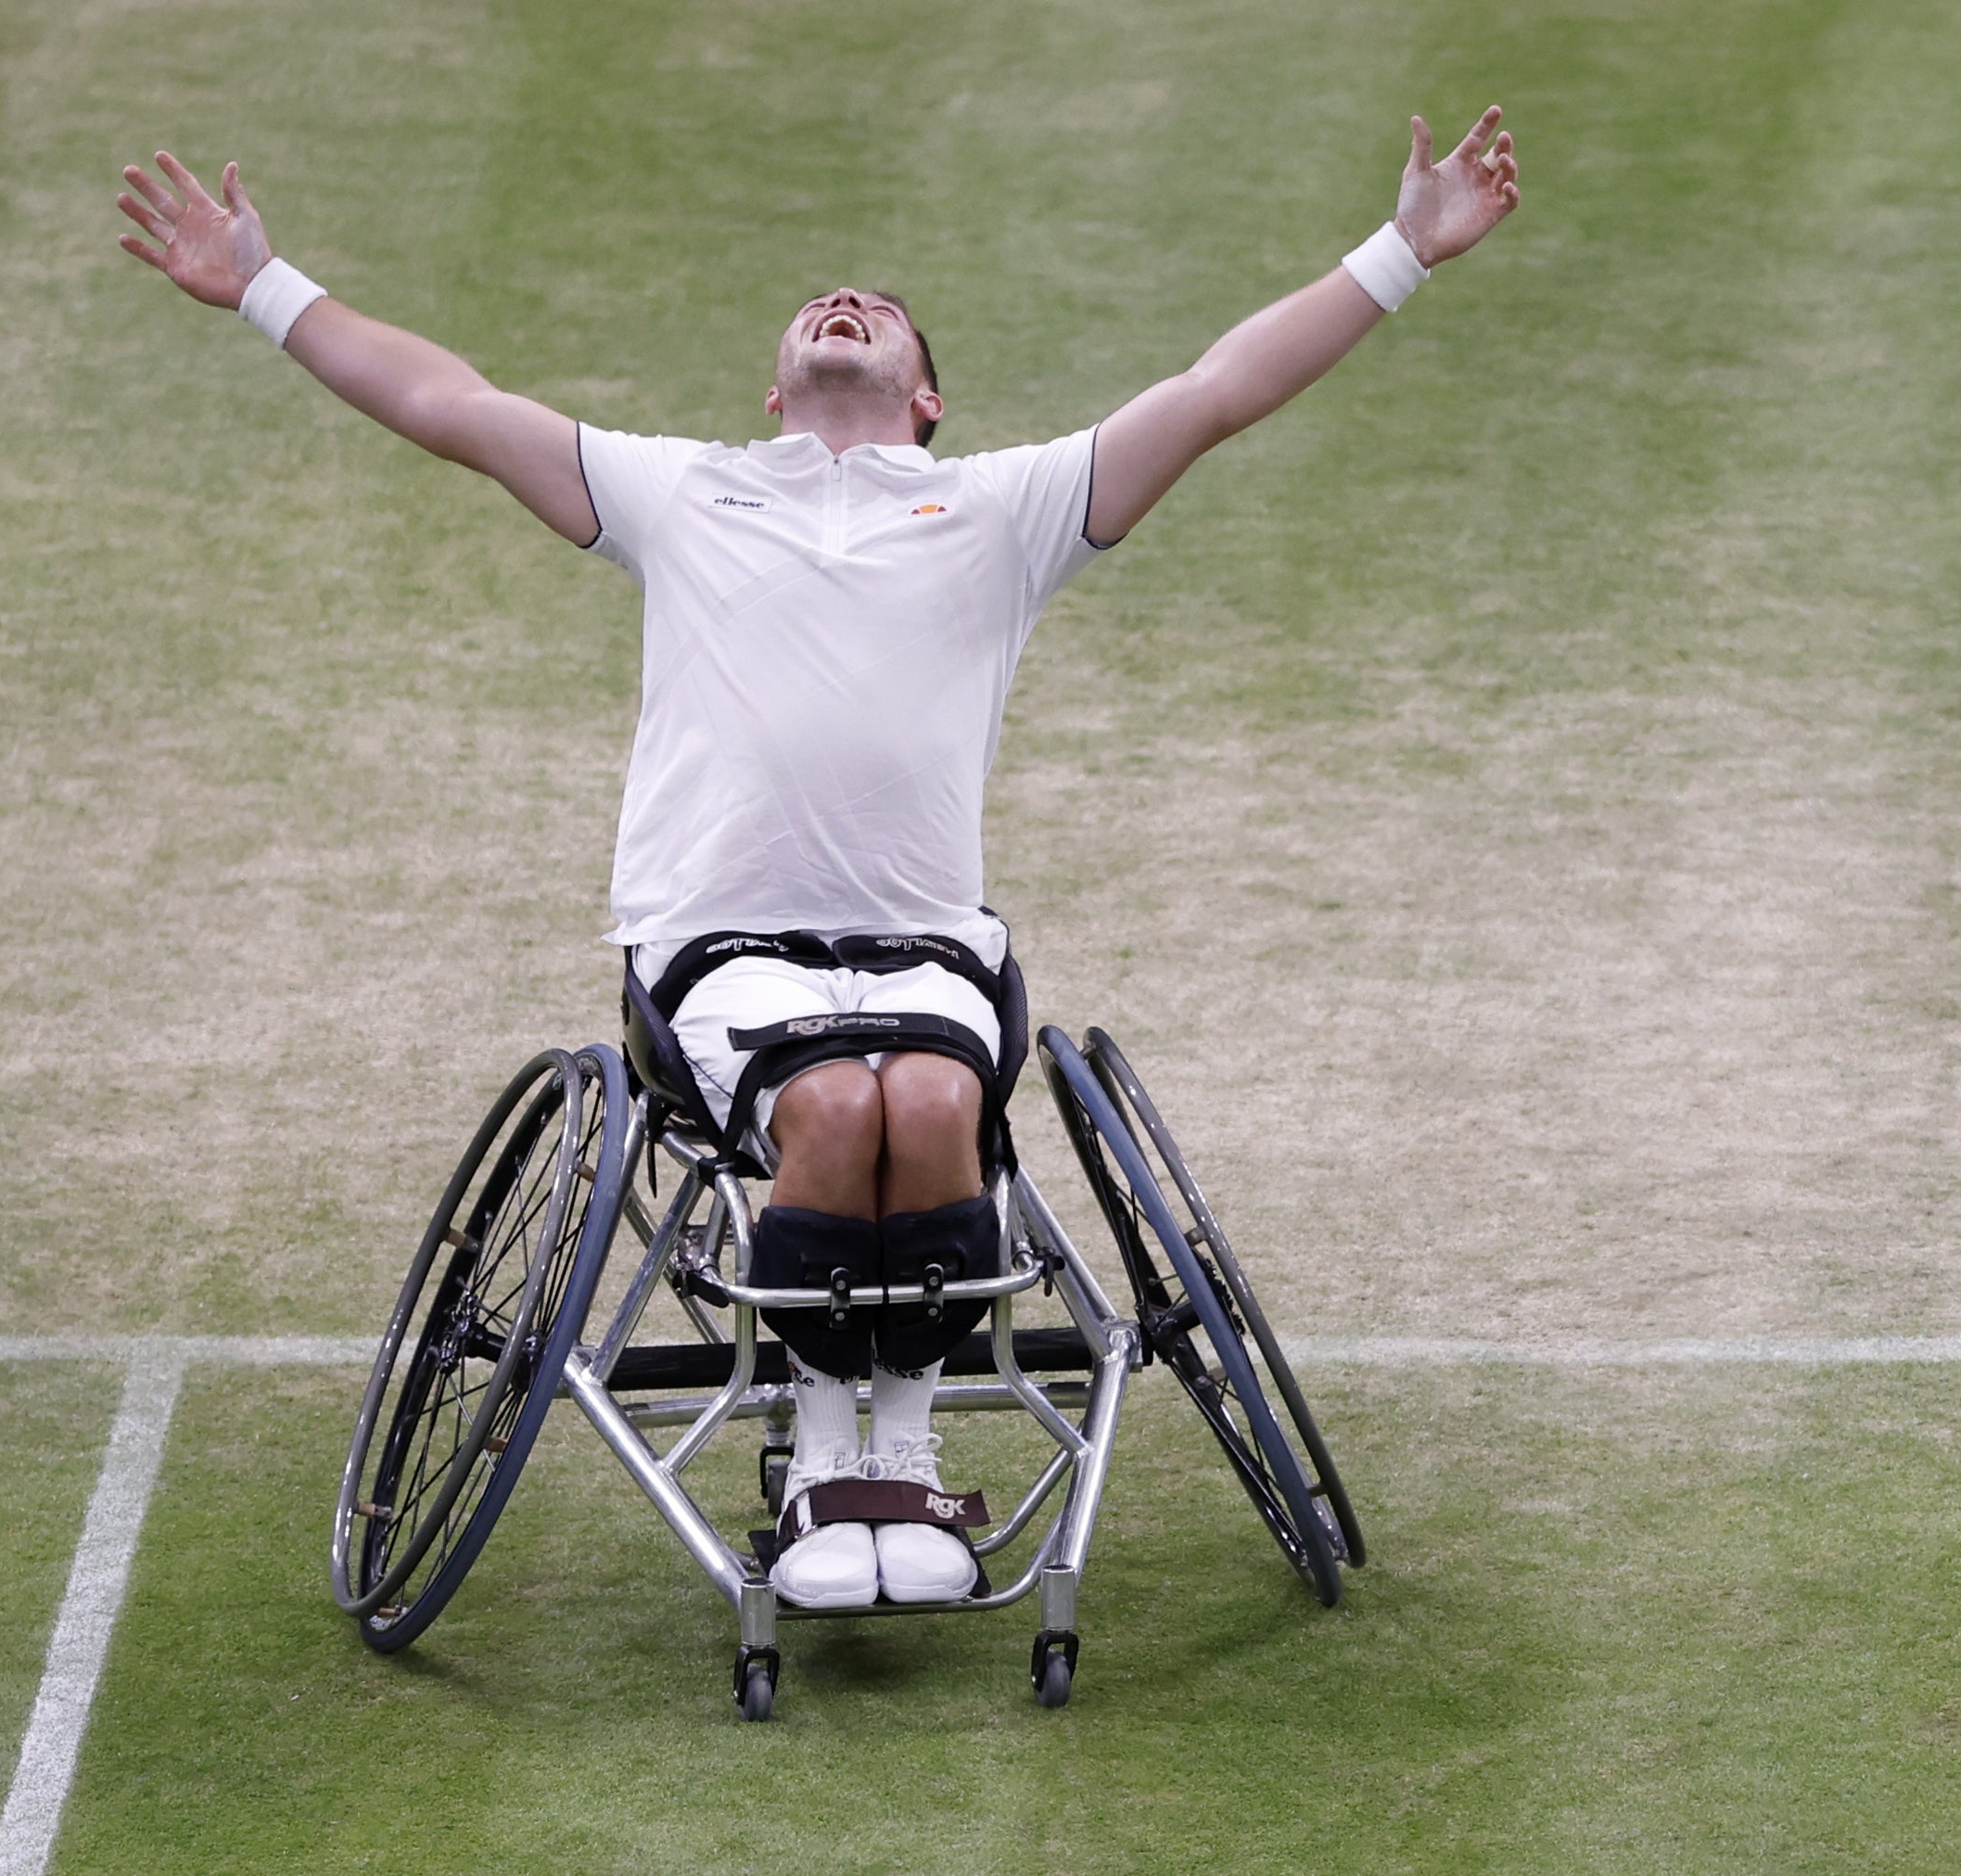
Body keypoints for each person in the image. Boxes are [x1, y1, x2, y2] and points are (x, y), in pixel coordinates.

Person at [117, 110, 1520, 1610]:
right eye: (816, 312)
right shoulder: (681, 491)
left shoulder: (1004, 509)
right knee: (831, 1110)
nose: (840, 304)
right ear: (772, 389)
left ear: (925, 399)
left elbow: (1214, 392)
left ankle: (893, 1464)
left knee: (923, 1099)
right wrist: (265, 284)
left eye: (879, 313)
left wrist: (1402, 254)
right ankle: (819, 1465)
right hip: (718, 945)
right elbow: (452, 405)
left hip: (924, 948)